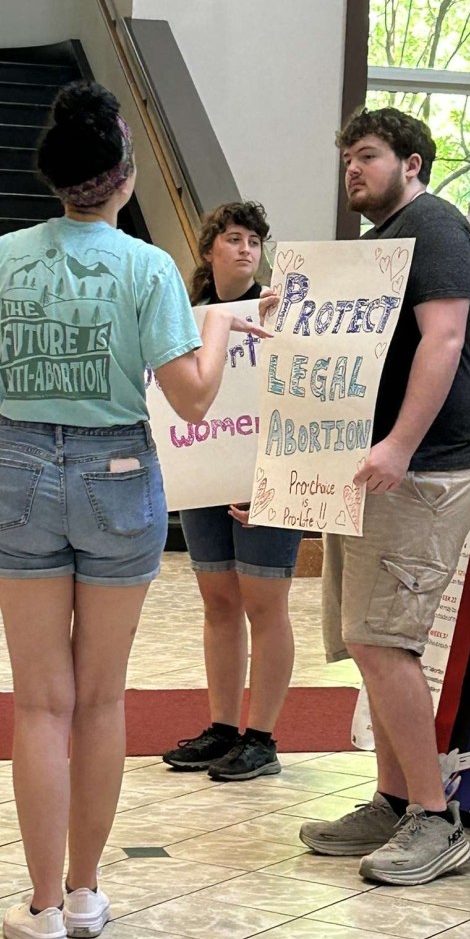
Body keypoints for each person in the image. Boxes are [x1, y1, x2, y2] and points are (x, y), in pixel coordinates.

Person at [0, 82, 266, 939]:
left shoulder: (4, 256)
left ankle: (41, 905)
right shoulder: (150, 268)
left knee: (39, 703)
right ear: (123, 178)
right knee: (101, 696)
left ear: (59, 176)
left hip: (19, 467)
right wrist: (226, 333)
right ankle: (87, 892)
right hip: (120, 474)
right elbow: (194, 400)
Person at [297, 107, 470, 886]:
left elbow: (444, 339)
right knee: (365, 641)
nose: (353, 168)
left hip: (422, 468)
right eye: (347, 157)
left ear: (412, 162)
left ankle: (435, 818)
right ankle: (393, 797)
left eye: (368, 155)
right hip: (371, 468)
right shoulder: (379, 245)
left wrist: (402, 442)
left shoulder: (436, 226)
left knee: (385, 642)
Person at [161, 202, 303, 781]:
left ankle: (262, 738)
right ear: (210, 249)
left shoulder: (284, 312)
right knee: (218, 602)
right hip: (203, 471)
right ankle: (222, 727)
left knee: (265, 605)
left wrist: (282, 485)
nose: (246, 249)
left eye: (255, 241)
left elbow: (302, 402)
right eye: (235, 238)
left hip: (268, 475)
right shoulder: (185, 317)